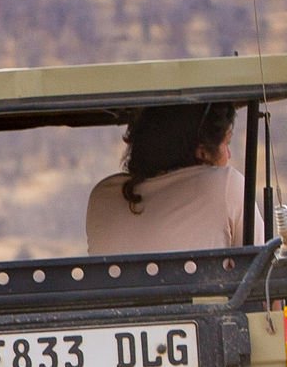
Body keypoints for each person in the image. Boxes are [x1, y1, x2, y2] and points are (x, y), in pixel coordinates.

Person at [84, 102, 243, 255]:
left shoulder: (102, 195)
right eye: (226, 144)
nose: (228, 155)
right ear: (203, 152)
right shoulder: (225, 186)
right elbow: (261, 272)